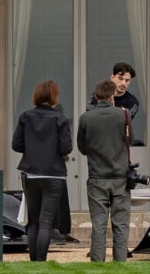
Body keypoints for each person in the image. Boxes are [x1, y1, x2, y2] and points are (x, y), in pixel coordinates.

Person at [12, 80, 72, 261]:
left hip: (30, 172)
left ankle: (33, 258)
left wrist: (32, 149)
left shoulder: (25, 116)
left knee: (33, 220)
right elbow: (66, 147)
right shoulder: (60, 118)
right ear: (54, 97)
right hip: (54, 173)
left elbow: (16, 145)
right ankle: (41, 259)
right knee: (46, 221)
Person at [77, 78, 132, 262]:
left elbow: (82, 148)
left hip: (97, 176)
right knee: (121, 223)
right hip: (120, 177)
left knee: (98, 223)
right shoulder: (123, 115)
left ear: (95, 96)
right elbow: (129, 140)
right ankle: (120, 261)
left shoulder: (86, 118)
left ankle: (98, 261)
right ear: (112, 97)